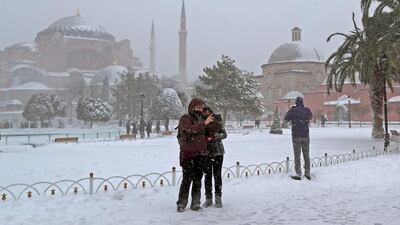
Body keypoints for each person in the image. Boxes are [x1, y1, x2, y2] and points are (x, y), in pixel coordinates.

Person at [176, 98, 214, 213]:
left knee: (198, 180)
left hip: (200, 154)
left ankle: (196, 203)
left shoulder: (202, 119)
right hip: (188, 155)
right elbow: (189, 130)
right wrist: (204, 123)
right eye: (197, 107)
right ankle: (181, 203)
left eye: (201, 108)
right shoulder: (185, 118)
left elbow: (210, 133)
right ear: (192, 107)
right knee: (187, 180)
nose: (200, 110)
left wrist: (213, 123)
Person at [203, 106, 227, 208]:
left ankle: (218, 197)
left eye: (209, 111)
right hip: (206, 153)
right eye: (205, 111)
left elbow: (224, 134)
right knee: (207, 176)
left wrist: (214, 136)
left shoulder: (217, 121)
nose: (207, 113)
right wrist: (205, 138)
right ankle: (208, 198)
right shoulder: (202, 122)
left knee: (217, 175)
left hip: (218, 151)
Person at [284, 97, 313, 180]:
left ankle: (298, 173)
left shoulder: (293, 111)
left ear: (296, 103)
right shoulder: (307, 110)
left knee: (297, 156)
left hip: (296, 136)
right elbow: (310, 116)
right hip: (306, 136)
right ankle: (307, 173)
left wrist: (293, 110)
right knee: (306, 155)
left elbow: (286, 118)